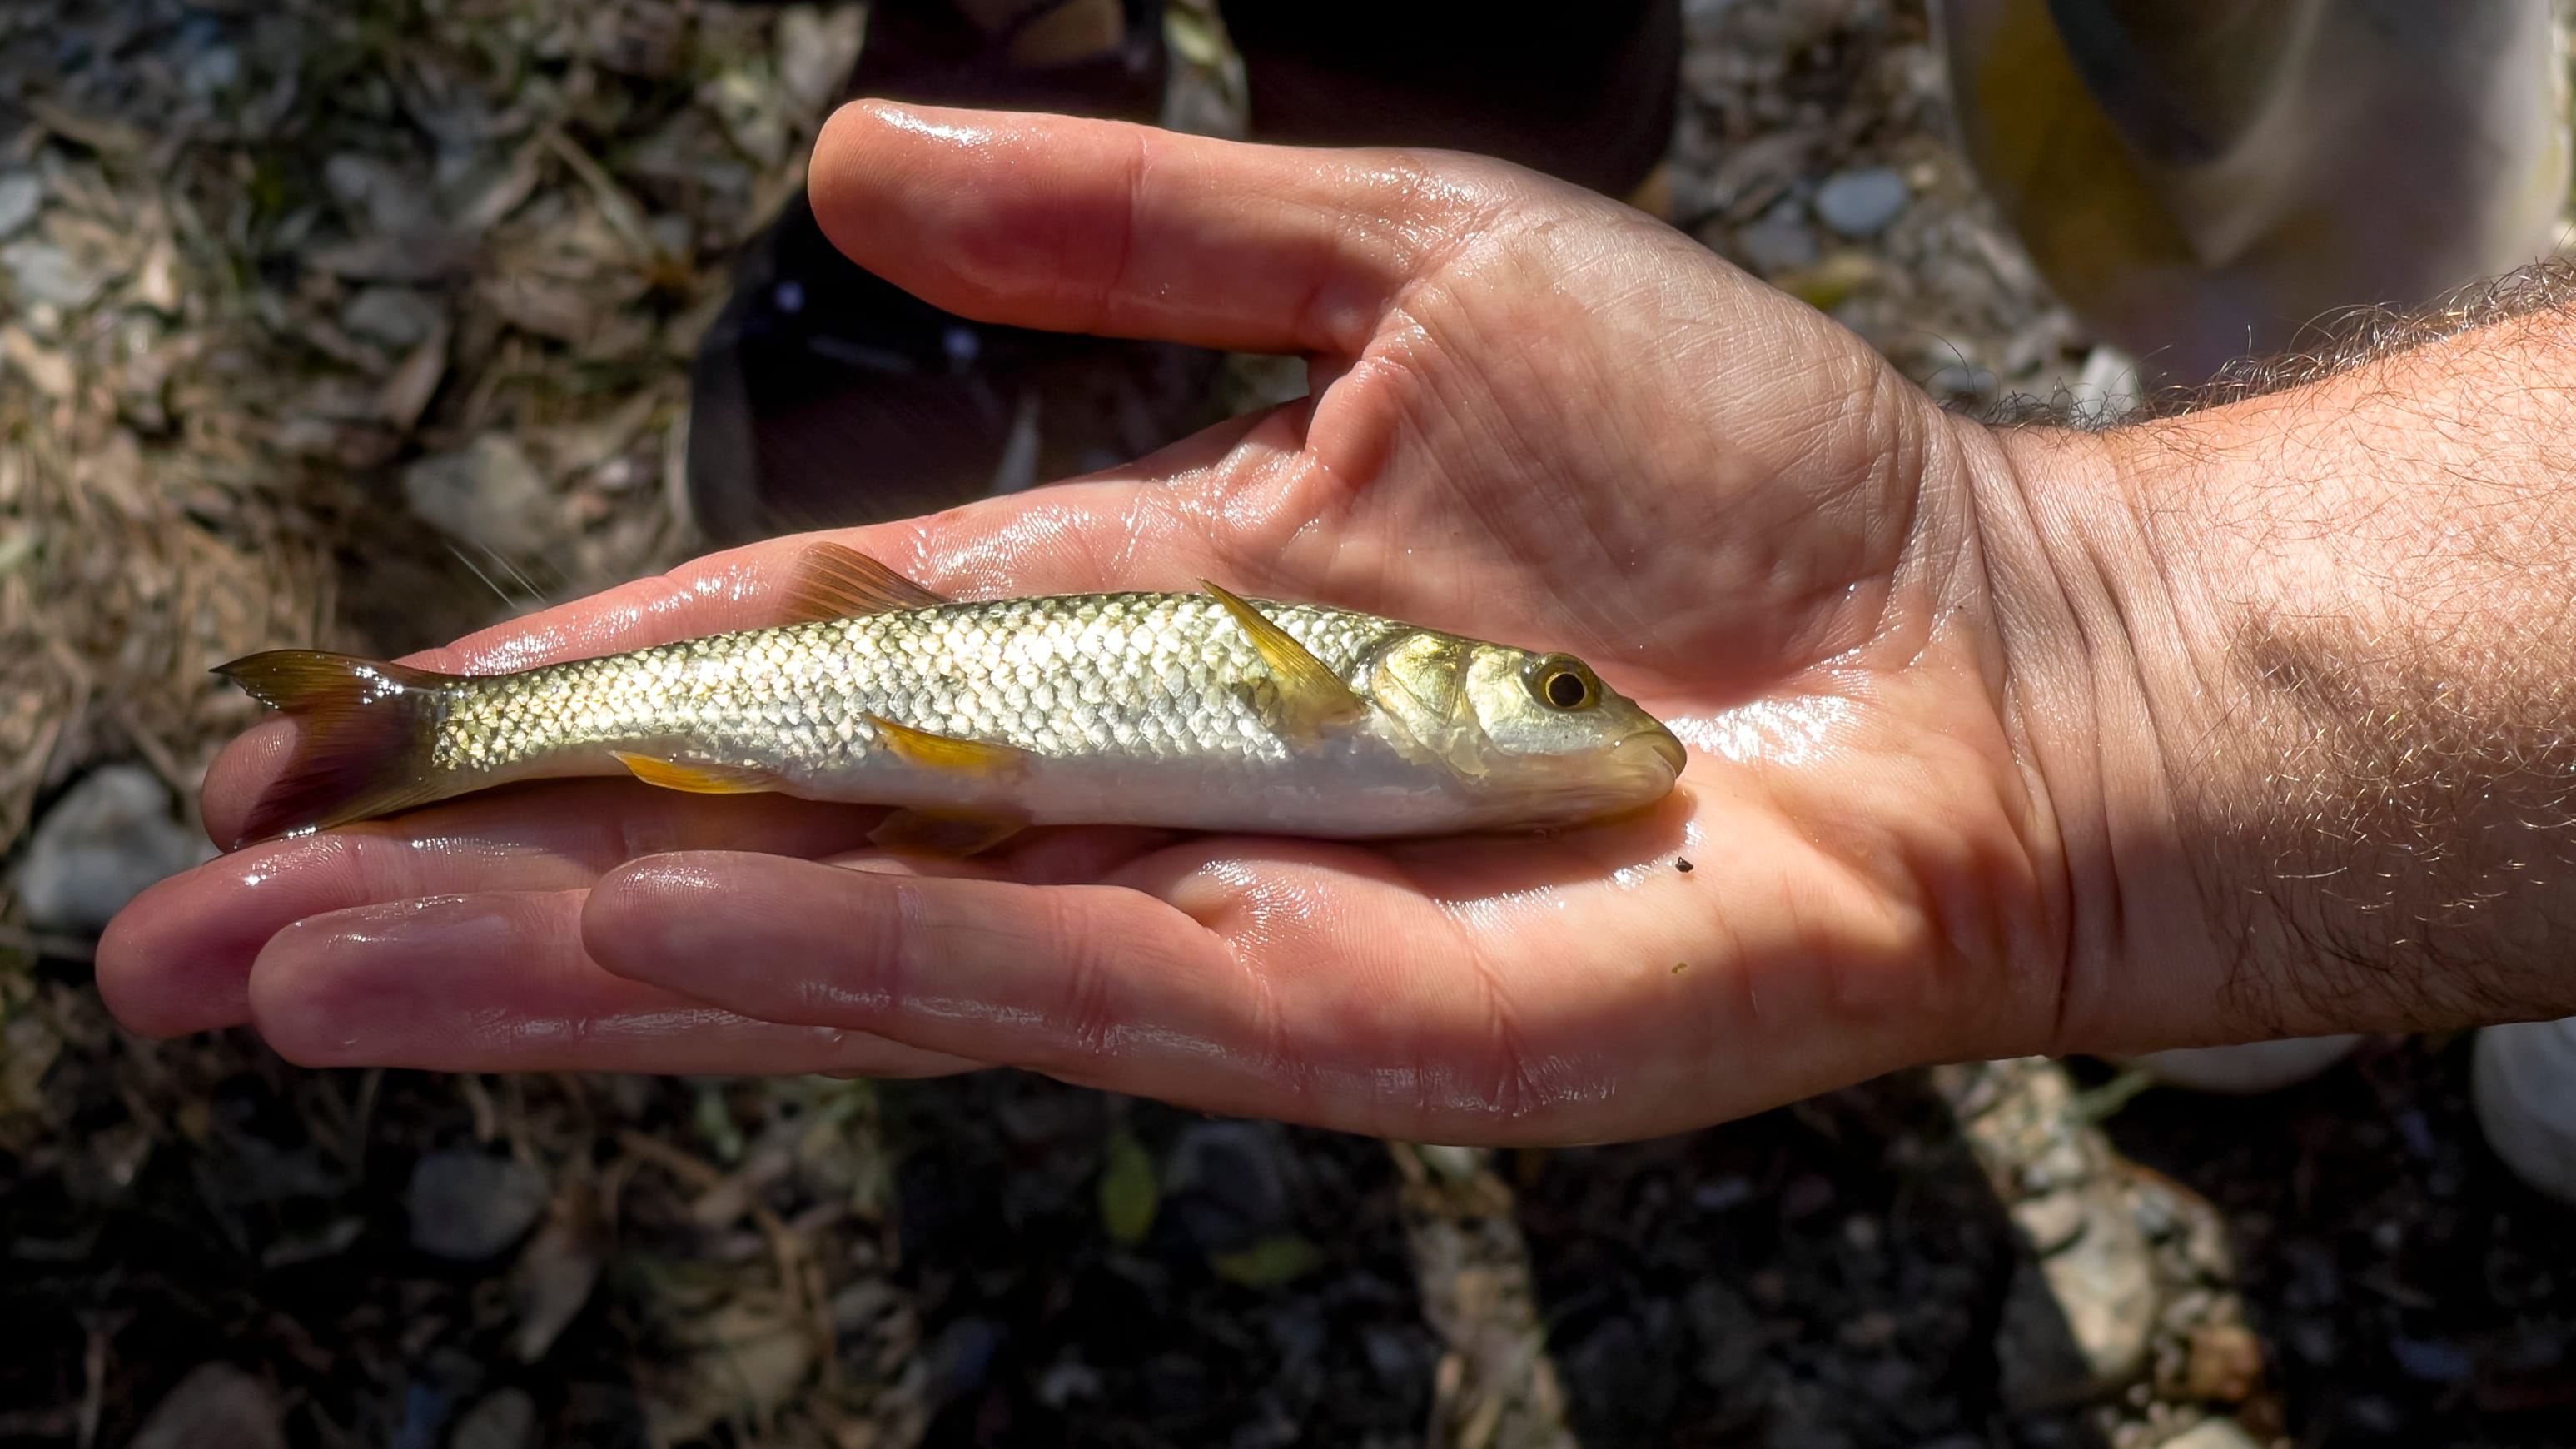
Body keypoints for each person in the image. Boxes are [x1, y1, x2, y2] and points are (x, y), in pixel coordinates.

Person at [94, 102, 2576, 1143]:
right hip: (883, 690)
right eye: (1555, 694)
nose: (1596, 727)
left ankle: (446, 726)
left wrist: (2080, 687)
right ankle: (444, 727)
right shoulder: (1328, 682)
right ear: (1414, 684)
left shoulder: (1381, 703)